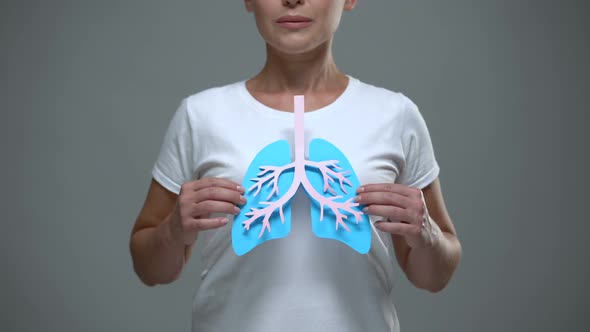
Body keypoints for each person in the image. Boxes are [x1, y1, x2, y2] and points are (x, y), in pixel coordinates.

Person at [129, 0, 462, 331]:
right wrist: (173, 231)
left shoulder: (395, 115)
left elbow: (435, 276)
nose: (292, 0)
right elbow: (149, 268)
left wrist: (427, 235)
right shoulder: (201, 116)